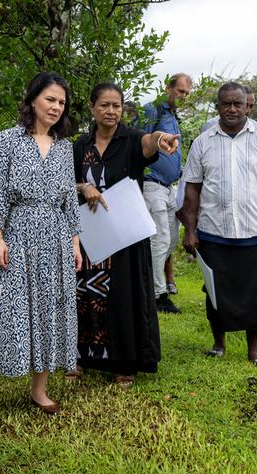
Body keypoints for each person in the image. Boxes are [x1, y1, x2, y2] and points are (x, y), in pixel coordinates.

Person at [0, 72, 82, 425]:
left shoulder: (65, 148)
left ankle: (39, 389)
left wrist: (76, 242)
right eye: (50, 99)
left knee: (51, 309)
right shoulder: (8, 142)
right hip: (18, 233)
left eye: (61, 102)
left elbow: (69, 200)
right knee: (8, 312)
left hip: (57, 237)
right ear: (33, 99)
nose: (56, 107)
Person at [71, 83, 179, 387]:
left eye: (116, 106)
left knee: (124, 296)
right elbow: (71, 182)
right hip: (92, 232)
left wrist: (162, 140)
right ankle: (84, 357)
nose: (110, 111)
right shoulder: (81, 145)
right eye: (104, 105)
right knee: (87, 294)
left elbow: (151, 141)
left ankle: (125, 363)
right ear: (92, 108)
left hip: (126, 233)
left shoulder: (131, 139)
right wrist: (84, 188)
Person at [181, 82, 257, 368]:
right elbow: (192, 188)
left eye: (237, 104)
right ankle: (219, 345)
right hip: (214, 230)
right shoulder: (203, 142)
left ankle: (255, 352)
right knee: (216, 291)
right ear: (217, 106)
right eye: (226, 103)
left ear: (247, 106)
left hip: (254, 230)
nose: (231, 109)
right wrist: (190, 230)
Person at [141, 73, 192, 313]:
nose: (184, 97)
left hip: (169, 187)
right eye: (181, 91)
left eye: (187, 93)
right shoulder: (153, 110)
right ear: (168, 87)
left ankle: (155, 288)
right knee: (158, 240)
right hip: (151, 185)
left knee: (170, 240)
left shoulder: (171, 115)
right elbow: (142, 142)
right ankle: (157, 295)